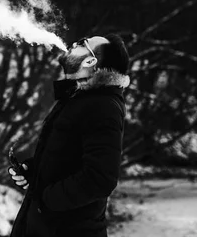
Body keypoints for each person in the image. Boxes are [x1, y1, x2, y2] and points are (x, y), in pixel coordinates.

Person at [8, 34, 130, 237]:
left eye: (83, 43)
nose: (74, 43)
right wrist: (34, 171)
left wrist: (48, 199)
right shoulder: (78, 98)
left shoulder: (103, 106)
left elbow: (101, 178)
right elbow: (68, 158)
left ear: (91, 61)